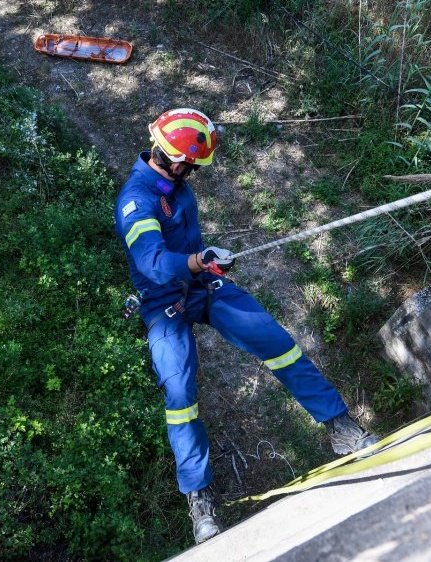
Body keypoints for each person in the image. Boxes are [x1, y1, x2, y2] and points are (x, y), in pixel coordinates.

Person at [114, 108, 378, 545]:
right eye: (192, 165)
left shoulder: (175, 187)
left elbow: (185, 246)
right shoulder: (136, 200)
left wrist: (205, 260)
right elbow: (154, 263)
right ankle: (199, 499)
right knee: (179, 394)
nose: (194, 172)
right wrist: (199, 260)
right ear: (176, 159)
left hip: (201, 283)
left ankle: (340, 428)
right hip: (163, 300)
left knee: (275, 341)